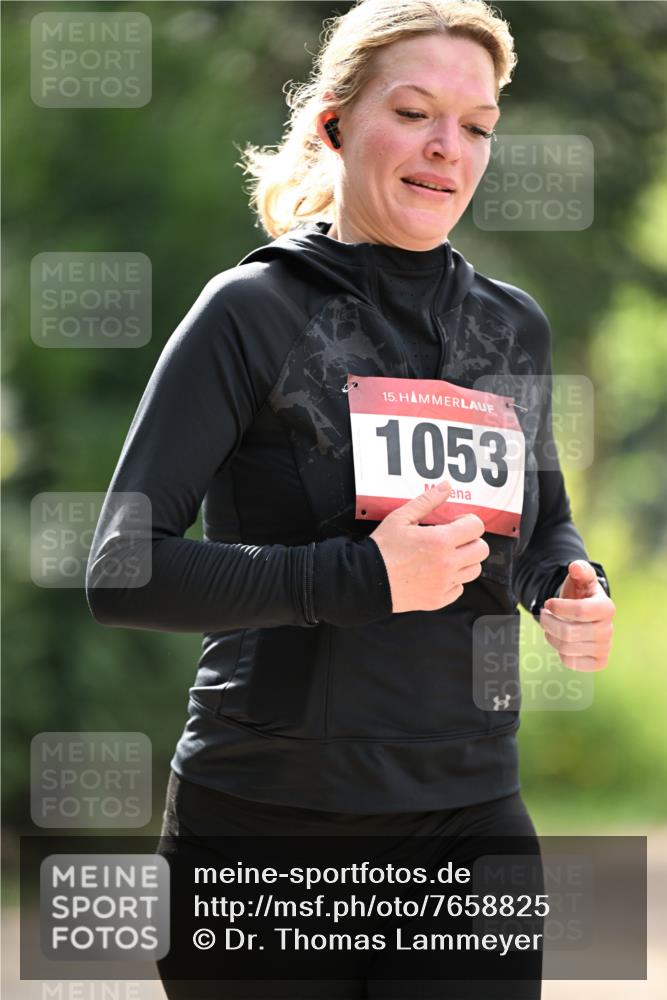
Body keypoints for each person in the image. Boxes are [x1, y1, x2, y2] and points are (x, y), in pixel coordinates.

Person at [85, 1, 615, 997]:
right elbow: (122, 568)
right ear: (333, 124)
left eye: (477, 126)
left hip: (467, 818)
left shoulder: (513, 328)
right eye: (414, 112)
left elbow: (541, 523)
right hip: (267, 824)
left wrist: (566, 583)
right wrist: (361, 576)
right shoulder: (252, 310)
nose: (446, 149)